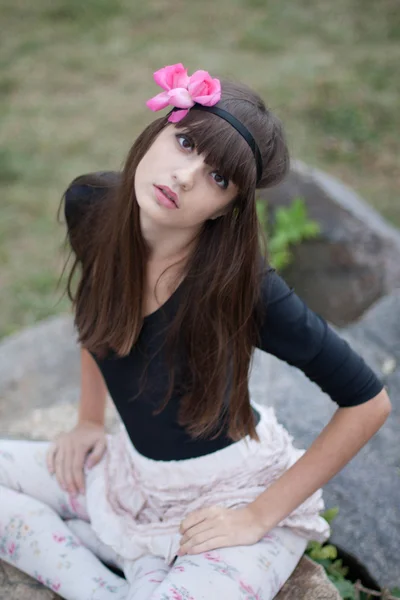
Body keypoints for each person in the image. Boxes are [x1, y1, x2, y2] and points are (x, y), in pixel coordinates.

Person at [0, 63, 391, 600]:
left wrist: (256, 517)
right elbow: (99, 309)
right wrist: (89, 421)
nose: (184, 176)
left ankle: (133, 571)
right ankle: (111, 576)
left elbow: (368, 402)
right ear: (159, 129)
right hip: (128, 478)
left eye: (218, 178)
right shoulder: (92, 206)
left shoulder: (244, 285)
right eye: (184, 142)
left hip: (225, 500)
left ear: (227, 208)